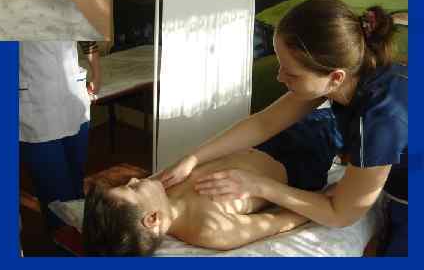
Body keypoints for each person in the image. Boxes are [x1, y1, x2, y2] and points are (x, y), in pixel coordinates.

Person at [157, 0, 407, 256]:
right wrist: (193, 158)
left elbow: (340, 214)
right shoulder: (353, 73)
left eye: (291, 73)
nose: (279, 77)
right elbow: (264, 123)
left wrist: (259, 186)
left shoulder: (379, 123)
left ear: (335, 77)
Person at [83, 109, 343, 255]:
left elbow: (118, 221)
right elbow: (277, 223)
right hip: (298, 163)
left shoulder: (162, 190)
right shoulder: (207, 228)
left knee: (310, 109)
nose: (135, 178)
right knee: (338, 120)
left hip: (262, 143)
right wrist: (325, 202)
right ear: (152, 219)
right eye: (132, 187)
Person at [19, 41, 100, 234]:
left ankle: (79, 240)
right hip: (36, 108)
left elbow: (86, 36)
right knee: (55, 197)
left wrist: (97, 74)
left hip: (73, 101)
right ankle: (62, 244)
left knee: (76, 187)